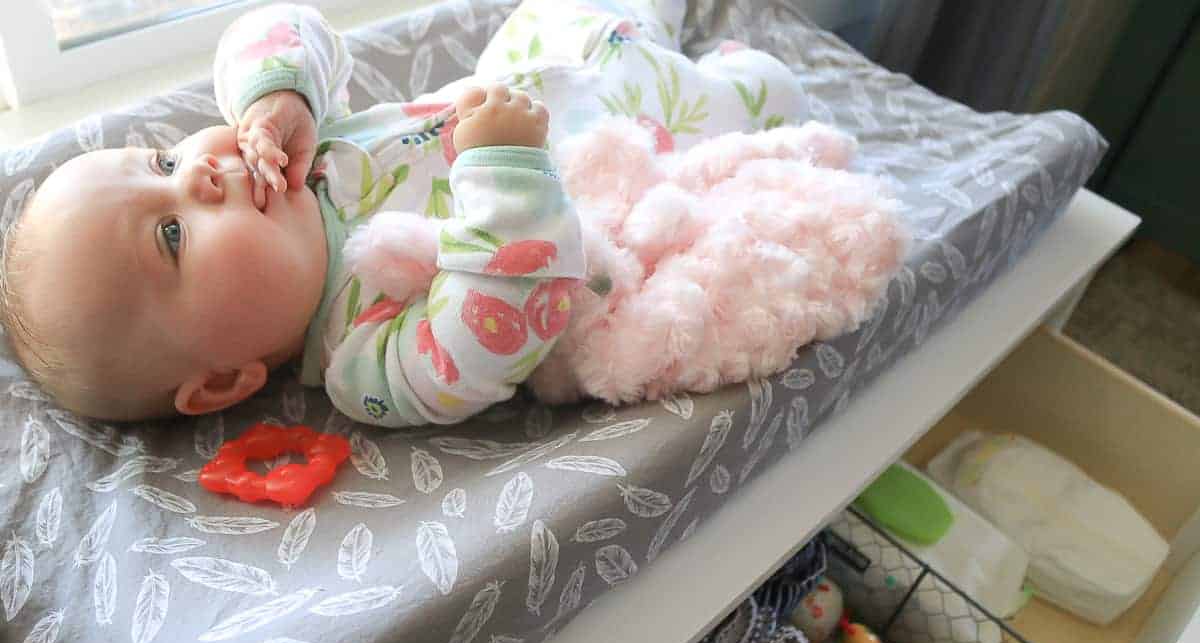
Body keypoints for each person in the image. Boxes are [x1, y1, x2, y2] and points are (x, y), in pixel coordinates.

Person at [0, 0, 812, 426]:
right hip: (646, 141)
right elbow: (496, 330)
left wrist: (277, 91)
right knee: (767, 92)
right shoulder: (366, 361)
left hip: (550, 54)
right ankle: (746, 71)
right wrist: (505, 168)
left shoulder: (309, 151)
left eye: (164, 161)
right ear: (221, 381)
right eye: (171, 234)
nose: (202, 174)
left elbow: (287, 25)